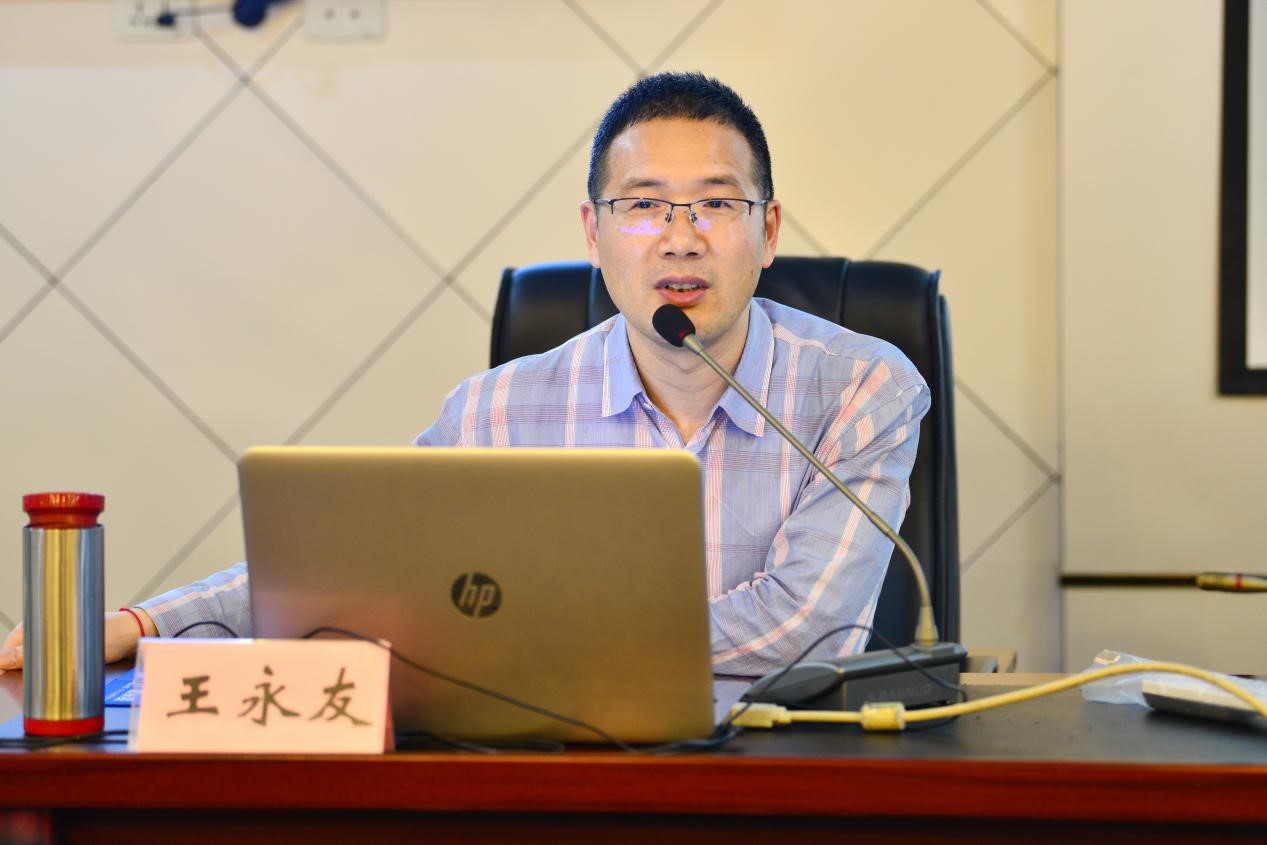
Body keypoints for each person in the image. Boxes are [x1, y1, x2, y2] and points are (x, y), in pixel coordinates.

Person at [1, 72, 928, 678]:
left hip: (775, 776)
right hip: (543, 770)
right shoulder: (498, 410)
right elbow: (348, 568)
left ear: (767, 232)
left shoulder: (858, 390)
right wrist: (147, 624)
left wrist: (529, 647)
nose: (680, 237)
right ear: (593, 233)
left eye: (716, 204)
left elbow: (799, 628)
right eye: (643, 205)